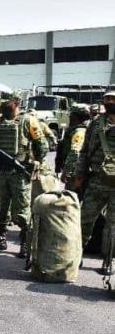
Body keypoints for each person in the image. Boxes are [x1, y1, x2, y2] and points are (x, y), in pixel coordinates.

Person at [0, 91, 48, 257]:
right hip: (2, 172)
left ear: (16, 103)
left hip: (20, 172)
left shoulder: (28, 121)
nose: (4, 106)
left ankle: (25, 243)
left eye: (7, 103)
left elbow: (42, 145)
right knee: (0, 207)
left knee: (22, 209)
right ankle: (0, 238)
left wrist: (37, 162)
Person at [74, 90, 115, 275]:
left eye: (113, 99)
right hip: (97, 180)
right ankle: (75, 255)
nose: (109, 101)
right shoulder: (96, 123)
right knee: (84, 219)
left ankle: (108, 261)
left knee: (113, 226)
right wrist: (79, 174)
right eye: (107, 98)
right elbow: (84, 152)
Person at [56, 104, 90, 192]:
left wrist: (66, 172)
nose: (69, 117)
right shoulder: (75, 130)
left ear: (75, 116)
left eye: (71, 115)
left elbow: (75, 153)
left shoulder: (79, 132)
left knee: (72, 198)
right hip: (75, 171)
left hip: (75, 173)